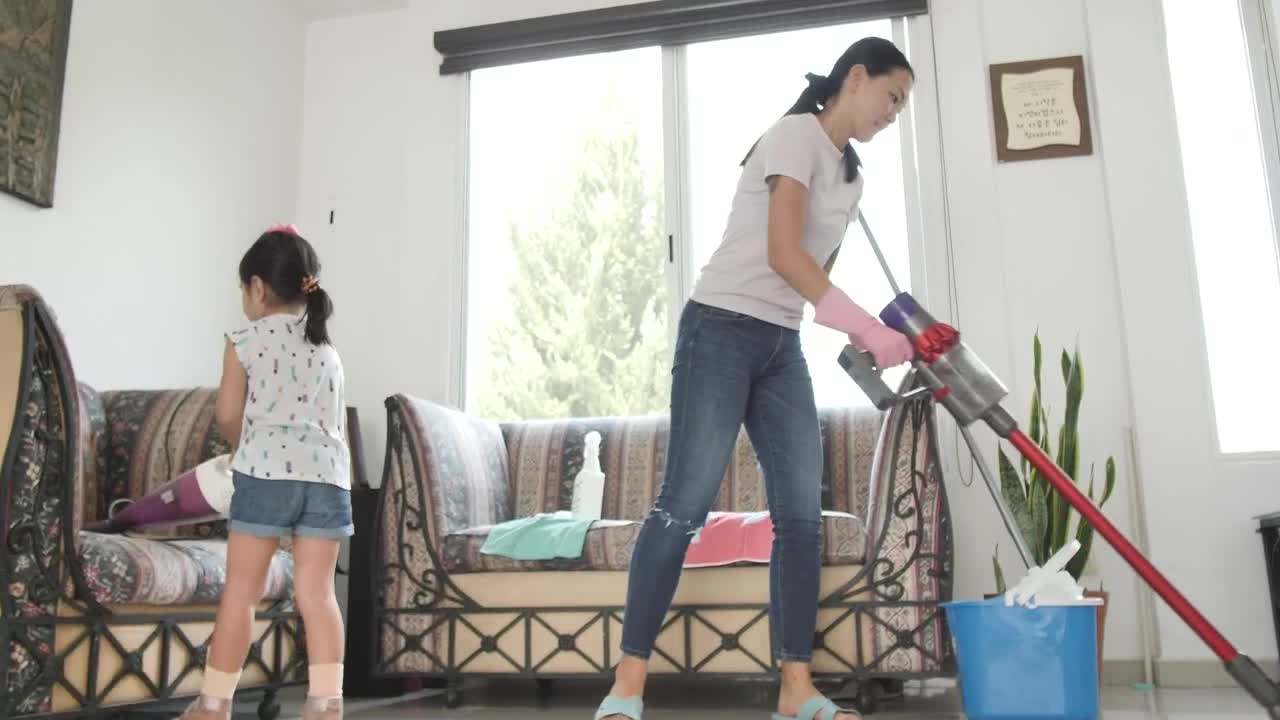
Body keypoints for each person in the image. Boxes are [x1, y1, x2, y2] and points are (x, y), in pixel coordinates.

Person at [594, 37, 916, 720]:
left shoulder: (853, 177)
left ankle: (796, 690)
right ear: (856, 79)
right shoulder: (794, 135)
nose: (896, 112)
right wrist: (864, 327)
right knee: (682, 503)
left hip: (781, 343)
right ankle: (626, 686)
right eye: (893, 96)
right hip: (720, 328)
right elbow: (782, 255)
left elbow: (815, 278)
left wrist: (891, 328)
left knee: (800, 515)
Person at [180, 224, 352, 720]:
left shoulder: (245, 339)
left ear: (257, 287)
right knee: (318, 595)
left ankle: (213, 705)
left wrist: (244, 451)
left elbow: (229, 414)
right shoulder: (327, 349)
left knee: (242, 593)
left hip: (266, 473)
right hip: (326, 479)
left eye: (242, 289)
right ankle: (326, 704)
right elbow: (332, 423)